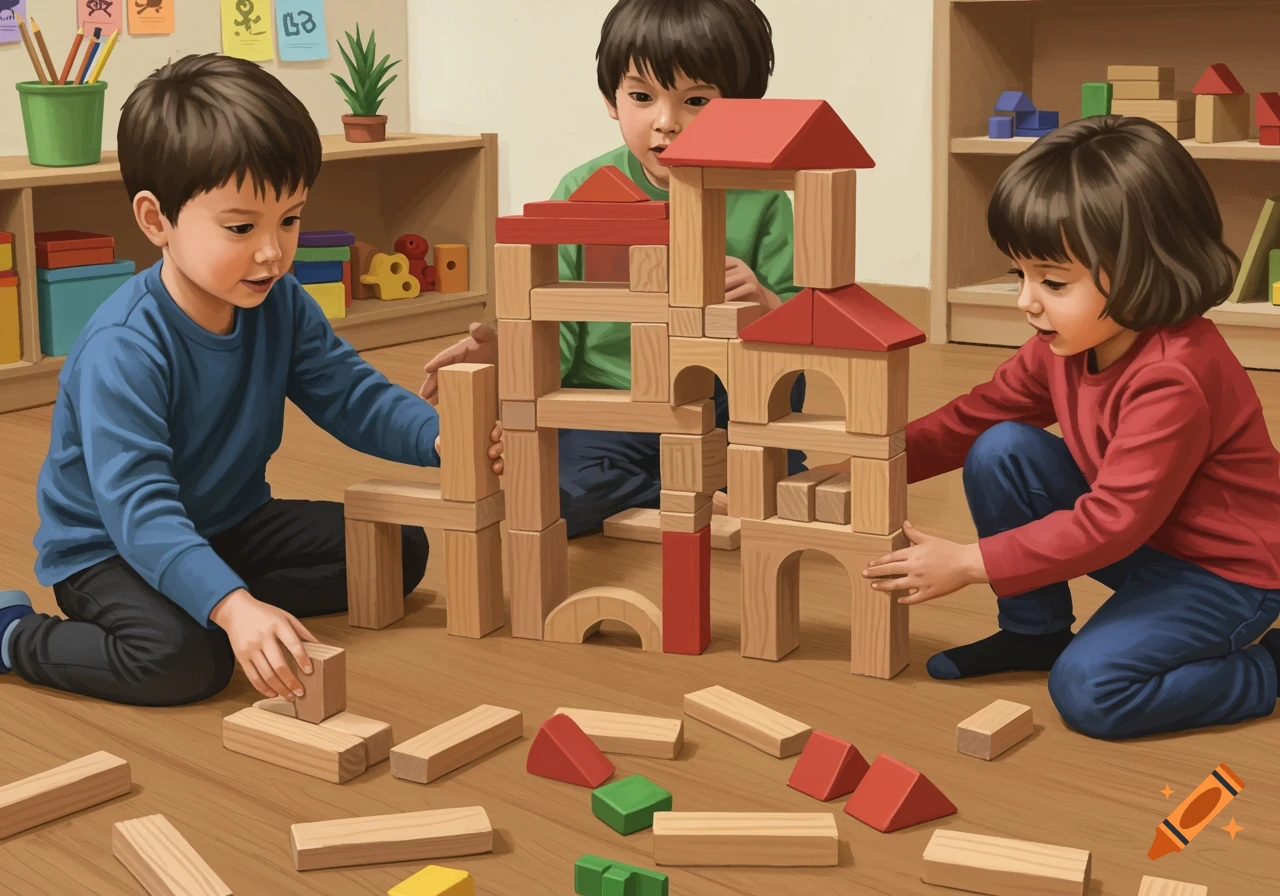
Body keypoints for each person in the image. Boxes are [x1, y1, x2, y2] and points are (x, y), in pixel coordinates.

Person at [0, 54, 502, 707]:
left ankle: (213, 591)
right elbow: (139, 510)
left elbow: (349, 393)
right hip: (110, 549)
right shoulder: (123, 347)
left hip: (229, 521)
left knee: (394, 552)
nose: (272, 251)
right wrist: (233, 608)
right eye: (241, 227)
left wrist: (439, 438)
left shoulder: (279, 300)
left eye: (289, 219)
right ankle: (15, 634)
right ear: (156, 221)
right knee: (186, 661)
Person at [863, 115, 1280, 740]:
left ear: (1144, 268)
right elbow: (973, 418)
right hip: (1146, 543)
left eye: (1054, 281)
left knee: (1092, 693)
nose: (1026, 300)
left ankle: (1268, 668)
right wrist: (865, 465)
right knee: (1001, 446)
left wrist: (970, 562)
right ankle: (1034, 633)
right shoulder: (1065, 342)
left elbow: (1110, 523)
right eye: (1020, 274)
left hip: (1224, 573)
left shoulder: (1174, 376)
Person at [421, 0, 805, 537]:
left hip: (721, 402)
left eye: (696, 100)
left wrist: (766, 301)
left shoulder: (764, 199)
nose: (666, 122)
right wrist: (508, 355)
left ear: (739, 108)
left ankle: (709, 479)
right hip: (609, 405)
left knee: (779, 436)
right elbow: (553, 328)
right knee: (552, 493)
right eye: (642, 97)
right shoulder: (580, 192)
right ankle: (681, 488)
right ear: (611, 98)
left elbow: (803, 330)